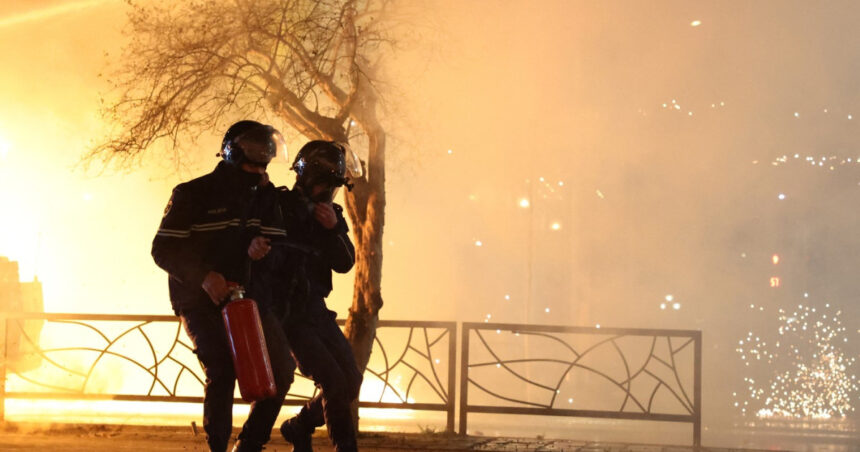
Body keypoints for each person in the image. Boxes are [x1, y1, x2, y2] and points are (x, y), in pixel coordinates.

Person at [151, 120, 296, 452]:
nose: (258, 172)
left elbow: (282, 255)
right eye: (251, 164)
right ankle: (217, 444)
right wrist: (204, 277)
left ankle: (249, 443)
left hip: (248, 299)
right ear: (232, 156)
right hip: (198, 300)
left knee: (283, 369)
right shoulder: (192, 193)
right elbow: (163, 249)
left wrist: (262, 252)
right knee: (221, 368)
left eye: (264, 164)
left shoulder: (266, 200)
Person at [273, 140, 363, 452]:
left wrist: (333, 228)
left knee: (350, 380)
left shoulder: (331, 217)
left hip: (315, 310)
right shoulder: (278, 208)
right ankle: (345, 447)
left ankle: (299, 426)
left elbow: (345, 262)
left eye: (333, 187)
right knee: (333, 381)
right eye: (324, 184)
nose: (327, 192)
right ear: (307, 178)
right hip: (288, 314)